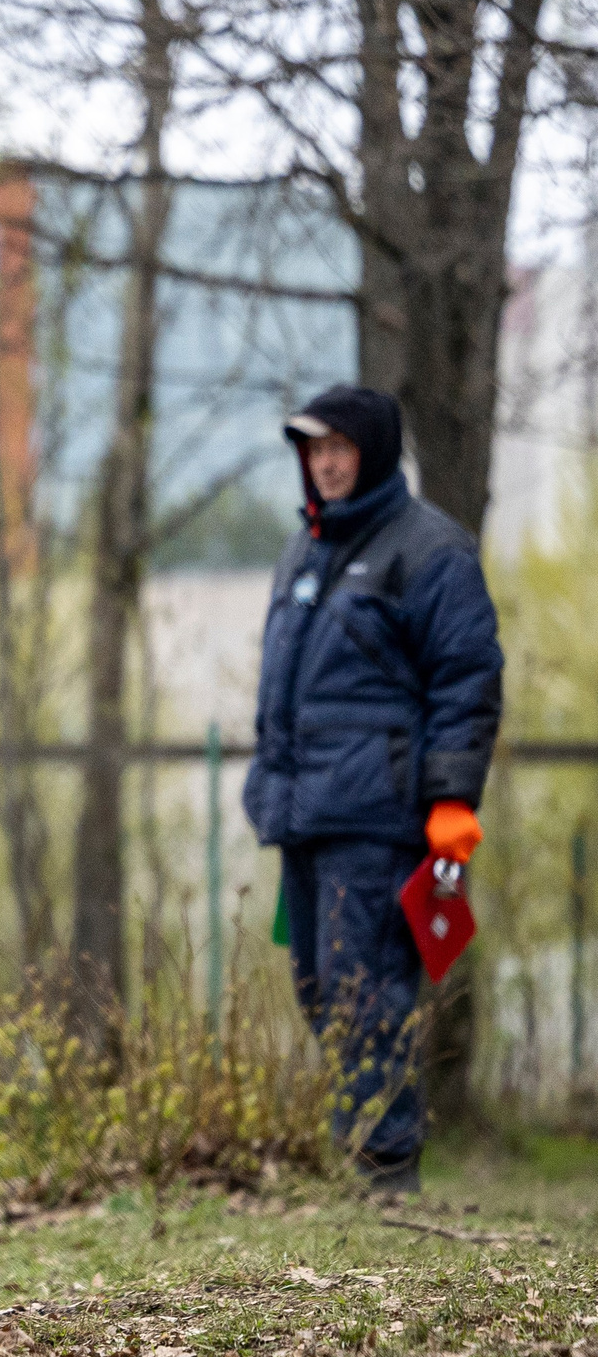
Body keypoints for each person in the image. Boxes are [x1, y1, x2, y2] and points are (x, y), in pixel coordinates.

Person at [243, 385, 503, 1193]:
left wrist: (453, 804)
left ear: (375, 454)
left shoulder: (430, 550)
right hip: (307, 817)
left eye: (338, 449)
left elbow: (467, 681)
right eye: (312, 450)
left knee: (370, 992)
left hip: (380, 818)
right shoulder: (304, 551)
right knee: (322, 990)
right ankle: (354, 1152)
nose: (323, 464)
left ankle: (383, 1171)